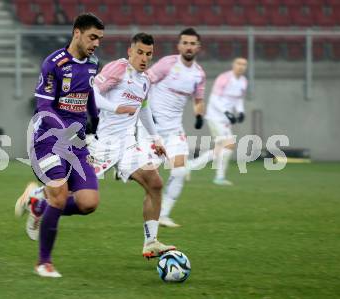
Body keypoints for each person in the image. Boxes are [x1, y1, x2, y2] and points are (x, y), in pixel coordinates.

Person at [18, 33, 176, 260]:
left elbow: (144, 107)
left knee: (155, 183)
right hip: (101, 143)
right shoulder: (117, 69)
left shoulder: (146, 79)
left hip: (127, 146)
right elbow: (91, 94)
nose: (143, 58)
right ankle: (38, 200)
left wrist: (156, 139)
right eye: (139, 52)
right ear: (130, 51)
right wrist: (116, 108)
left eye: (148, 54)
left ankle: (151, 242)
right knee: (78, 198)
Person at [15, 13, 105, 278]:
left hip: (76, 143)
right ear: (77, 33)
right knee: (59, 193)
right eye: (92, 37)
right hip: (48, 140)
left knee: (89, 202)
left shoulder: (92, 63)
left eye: (99, 39)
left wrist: (95, 121)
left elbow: (87, 95)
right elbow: (43, 106)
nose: (96, 43)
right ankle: (44, 263)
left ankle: (37, 204)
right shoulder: (53, 64)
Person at [137, 28, 206, 228]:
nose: (189, 46)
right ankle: (121, 163)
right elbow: (145, 80)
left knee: (180, 171)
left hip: (174, 130)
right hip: (152, 129)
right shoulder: (168, 64)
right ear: (179, 46)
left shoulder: (199, 74)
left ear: (198, 47)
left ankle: (163, 215)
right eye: (185, 42)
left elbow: (199, 99)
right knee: (148, 175)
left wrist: (199, 114)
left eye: (193, 43)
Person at [187, 57, 248, 186]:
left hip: (225, 119)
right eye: (239, 63)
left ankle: (191, 167)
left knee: (220, 150)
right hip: (216, 117)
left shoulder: (243, 81)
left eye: (244, 64)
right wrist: (226, 112)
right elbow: (214, 99)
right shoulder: (224, 78)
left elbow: (238, 100)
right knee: (229, 145)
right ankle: (216, 176)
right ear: (233, 64)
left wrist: (241, 111)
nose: (241, 66)